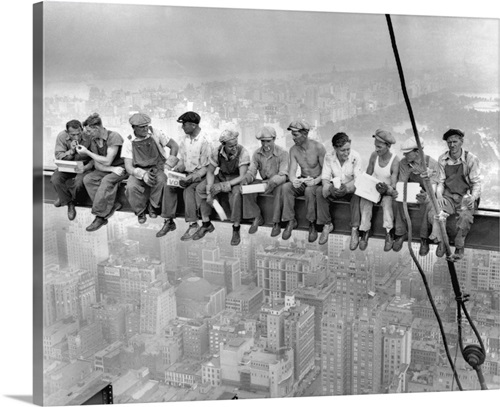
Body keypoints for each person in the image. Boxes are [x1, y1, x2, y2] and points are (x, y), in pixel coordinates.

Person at [122, 113, 180, 237]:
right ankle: (140, 212)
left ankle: (154, 207)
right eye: (141, 127)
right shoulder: (128, 141)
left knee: (163, 182)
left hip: (157, 167)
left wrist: (168, 165)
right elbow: (128, 166)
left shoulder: (156, 133)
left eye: (146, 126)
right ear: (134, 127)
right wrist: (142, 175)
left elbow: (174, 146)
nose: (145, 129)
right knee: (131, 187)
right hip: (139, 169)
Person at [428, 129, 481, 260]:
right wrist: (439, 195)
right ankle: (441, 241)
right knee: (436, 212)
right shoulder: (443, 159)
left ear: (461, 142)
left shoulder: (471, 159)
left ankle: (459, 245)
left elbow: (476, 182)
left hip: (465, 197)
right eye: (449, 142)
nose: (452, 145)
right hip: (449, 196)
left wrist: (473, 197)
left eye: (455, 142)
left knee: (465, 217)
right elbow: (440, 181)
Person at [194, 129, 250, 246]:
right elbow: (210, 172)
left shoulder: (243, 152)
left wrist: (223, 186)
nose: (234, 148)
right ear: (223, 145)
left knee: (236, 194)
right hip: (222, 176)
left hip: (235, 180)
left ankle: (236, 228)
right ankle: (206, 223)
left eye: (235, 145)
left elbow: (242, 176)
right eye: (230, 146)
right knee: (201, 188)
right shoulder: (217, 152)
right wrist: (210, 191)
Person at [76, 113, 128, 231]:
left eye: (89, 131)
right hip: (111, 169)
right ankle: (112, 205)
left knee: (106, 181)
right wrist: (111, 169)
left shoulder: (114, 137)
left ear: (97, 128)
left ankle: (100, 216)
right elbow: (97, 163)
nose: (88, 134)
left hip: (122, 168)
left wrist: (87, 152)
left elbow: (107, 160)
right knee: (88, 179)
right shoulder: (94, 140)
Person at [392, 137, 439, 255]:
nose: (405, 155)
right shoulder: (404, 163)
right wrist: (408, 173)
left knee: (427, 204)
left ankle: (424, 238)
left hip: (425, 194)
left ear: (417, 152)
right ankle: (400, 233)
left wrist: (426, 195)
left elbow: (433, 187)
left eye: (407, 153)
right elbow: (402, 182)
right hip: (409, 192)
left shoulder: (431, 163)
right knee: (398, 200)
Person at [315, 132, 363, 248]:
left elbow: (358, 179)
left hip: (350, 188)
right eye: (343, 150)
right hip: (336, 187)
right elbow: (325, 177)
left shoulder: (355, 157)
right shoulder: (329, 156)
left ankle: (354, 229)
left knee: (358, 195)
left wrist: (347, 188)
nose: (346, 153)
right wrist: (330, 188)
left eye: (348, 149)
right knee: (319, 192)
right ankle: (327, 224)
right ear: (335, 148)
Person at [281, 120, 326, 242]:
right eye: (292, 134)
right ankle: (290, 220)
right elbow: (292, 171)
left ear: (305, 134)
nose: (293, 138)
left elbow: (327, 172)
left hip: (317, 181)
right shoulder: (293, 150)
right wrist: (293, 180)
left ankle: (312, 224)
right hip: (303, 179)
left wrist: (316, 181)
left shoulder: (318, 148)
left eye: (296, 135)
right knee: (286, 188)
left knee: (309, 191)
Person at [240, 126, 289, 236]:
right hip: (265, 182)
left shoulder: (283, 153)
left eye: (268, 141)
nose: (265, 144)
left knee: (280, 190)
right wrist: (246, 179)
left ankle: (276, 222)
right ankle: (256, 216)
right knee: (247, 189)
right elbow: (252, 170)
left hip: (278, 182)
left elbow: (283, 174)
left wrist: (273, 182)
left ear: (274, 139)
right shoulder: (257, 153)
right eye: (263, 141)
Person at [358, 129, 399, 251]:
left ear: (388, 146)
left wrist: (387, 189)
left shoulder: (395, 161)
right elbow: (369, 173)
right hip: (374, 187)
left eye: (379, 147)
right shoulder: (374, 156)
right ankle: (365, 231)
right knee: (365, 201)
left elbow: (394, 183)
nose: (376, 149)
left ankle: (388, 232)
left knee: (387, 203)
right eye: (375, 146)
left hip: (386, 190)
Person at [174, 111, 212, 241]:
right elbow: (182, 160)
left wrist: (190, 178)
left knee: (190, 190)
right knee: (174, 187)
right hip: (189, 174)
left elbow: (206, 167)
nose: (182, 127)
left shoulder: (205, 141)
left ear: (193, 125)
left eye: (184, 124)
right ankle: (195, 224)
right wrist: (175, 170)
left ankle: (194, 224)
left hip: (203, 176)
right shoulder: (185, 140)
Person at [50, 119, 93, 220]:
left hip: (83, 166)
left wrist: (86, 167)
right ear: (67, 133)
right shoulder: (62, 136)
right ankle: (69, 203)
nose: (77, 137)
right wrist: (71, 151)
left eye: (78, 133)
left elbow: (94, 157)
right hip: (67, 165)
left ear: (82, 130)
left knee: (79, 183)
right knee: (55, 179)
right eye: (73, 135)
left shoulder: (89, 136)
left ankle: (64, 199)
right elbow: (59, 156)